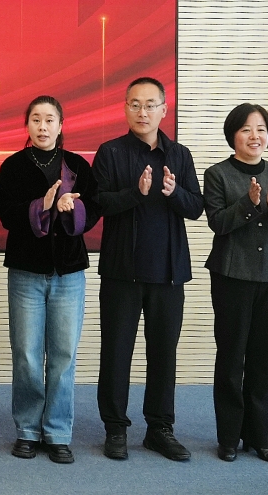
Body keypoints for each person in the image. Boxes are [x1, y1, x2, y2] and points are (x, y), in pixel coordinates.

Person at [93, 76, 203, 462]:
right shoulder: (110, 152)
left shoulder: (180, 155)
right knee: (116, 352)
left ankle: (160, 429)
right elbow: (99, 204)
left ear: (163, 110)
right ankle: (115, 428)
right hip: (121, 272)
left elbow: (196, 207)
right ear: (125, 108)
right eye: (135, 104)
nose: (143, 112)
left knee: (163, 354)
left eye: (150, 104)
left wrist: (174, 193)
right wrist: (135, 194)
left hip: (168, 273)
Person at [0, 96, 100, 464]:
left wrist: (73, 207)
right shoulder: (13, 166)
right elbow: (5, 214)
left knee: (63, 355)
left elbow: (94, 209)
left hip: (68, 272)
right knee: (26, 354)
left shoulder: (77, 166)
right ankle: (27, 429)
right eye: (36, 119)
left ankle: (57, 431)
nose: (42, 126)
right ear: (27, 125)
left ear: (60, 125)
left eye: (49, 119)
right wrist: (42, 205)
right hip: (26, 271)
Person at [203, 103, 268, 463]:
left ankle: (260, 438)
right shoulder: (217, 174)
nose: (254, 136)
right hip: (232, 275)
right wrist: (249, 203)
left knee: (263, 356)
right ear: (233, 135)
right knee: (231, 356)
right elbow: (217, 223)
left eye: (260, 129)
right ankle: (229, 437)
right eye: (245, 129)